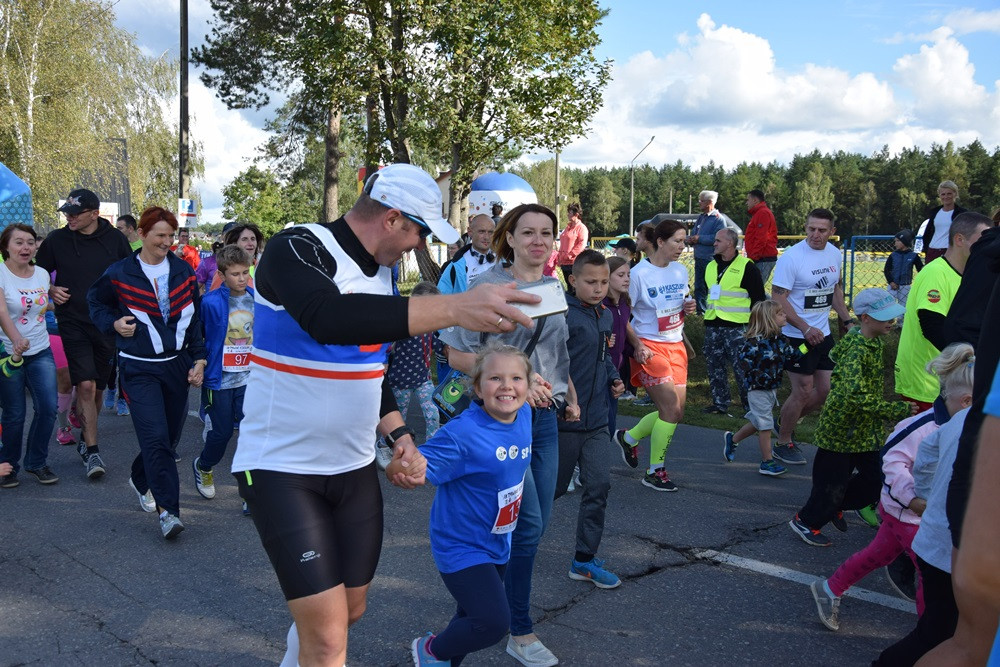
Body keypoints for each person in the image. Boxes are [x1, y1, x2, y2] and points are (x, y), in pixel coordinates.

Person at [228, 163, 536, 667]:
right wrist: (455, 307)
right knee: (328, 638)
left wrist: (399, 435)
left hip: (351, 467)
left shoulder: (385, 273)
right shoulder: (297, 246)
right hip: (281, 466)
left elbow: (369, 368)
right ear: (392, 219)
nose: (417, 245)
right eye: (418, 233)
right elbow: (327, 319)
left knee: (348, 611)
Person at [441, 202, 572, 667]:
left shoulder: (554, 286)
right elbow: (455, 355)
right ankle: (517, 628)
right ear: (510, 238)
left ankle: (476, 618)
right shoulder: (487, 286)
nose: (538, 240)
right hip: (502, 423)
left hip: (546, 419)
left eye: (546, 233)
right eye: (528, 232)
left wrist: (568, 393)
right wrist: (517, 383)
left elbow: (556, 353)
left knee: (529, 526)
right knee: (526, 523)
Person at [808, 343, 974, 631]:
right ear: (967, 402)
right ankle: (930, 632)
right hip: (907, 514)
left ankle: (830, 588)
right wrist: (911, 499)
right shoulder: (920, 427)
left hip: (926, 516)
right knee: (930, 573)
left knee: (877, 555)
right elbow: (891, 462)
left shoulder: (964, 427)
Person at [397, 343, 533, 667]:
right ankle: (431, 650)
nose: (507, 386)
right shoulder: (463, 432)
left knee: (470, 616)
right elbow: (417, 465)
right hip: (460, 543)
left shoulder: (525, 413)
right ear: (478, 388)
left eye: (516, 378)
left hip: (498, 539)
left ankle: (444, 662)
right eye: (495, 378)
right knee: (493, 622)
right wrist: (403, 464)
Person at [88, 206, 207, 539]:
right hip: (138, 367)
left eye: (171, 236)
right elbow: (95, 303)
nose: (167, 242)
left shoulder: (183, 271)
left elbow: (195, 319)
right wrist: (113, 323)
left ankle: (141, 478)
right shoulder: (119, 272)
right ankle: (168, 512)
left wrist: (199, 358)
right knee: (155, 438)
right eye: (160, 235)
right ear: (141, 234)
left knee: (167, 439)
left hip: (177, 365)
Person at [788, 288, 914, 547]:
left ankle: (836, 505)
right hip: (841, 430)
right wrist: (896, 410)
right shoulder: (857, 348)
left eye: (893, 316)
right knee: (830, 487)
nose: (892, 322)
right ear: (865, 318)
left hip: (863, 430)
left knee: (876, 477)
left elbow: (842, 363)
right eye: (886, 317)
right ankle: (806, 521)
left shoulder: (871, 341)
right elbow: (854, 395)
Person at [35, 188, 132, 480]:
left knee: (98, 388)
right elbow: (37, 274)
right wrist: (50, 288)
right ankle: (92, 451)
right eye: (67, 213)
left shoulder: (115, 240)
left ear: (94, 214)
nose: (70, 218)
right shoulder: (57, 239)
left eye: (76, 213)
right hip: (72, 321)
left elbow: (130, 275)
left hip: (106, 324)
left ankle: (85, 439)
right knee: (86, 386)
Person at [872, 405, 972, 666]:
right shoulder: (933, 422)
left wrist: (930, 501)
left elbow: (927, 455)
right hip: (948, 547)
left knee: (939, 632)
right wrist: (916, 500)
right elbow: (893, 456)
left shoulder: (963, 417)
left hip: (937, 538)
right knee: (941, 636)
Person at [554, 250, 625, 589]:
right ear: (573, 280)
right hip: (564, 421)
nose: (598, 289)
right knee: (550, 491)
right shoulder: (562, 316)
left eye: (604, 282)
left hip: (597, 419)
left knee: (599, 486)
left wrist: (614, 377)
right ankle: (501, 543)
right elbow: (551, 363)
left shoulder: (605, 315)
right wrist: (565, 401)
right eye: (591, 282)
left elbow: (603, 357)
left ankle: (583, 560)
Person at [613, 218, 697, 492]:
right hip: (650, 346)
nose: (682, 247)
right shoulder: (639, 274)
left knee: (676, 412)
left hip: (676, 345)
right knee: (670, 409)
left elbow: (680, 304)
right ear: (660, 241)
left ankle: (629, 438)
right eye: (677, 241)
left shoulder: (680, 271)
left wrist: (688, 307)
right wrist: (637, 344)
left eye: (684, 242)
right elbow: (624, 315)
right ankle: (655, 471)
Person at [770, 208, 852, 466]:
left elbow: (834, 289)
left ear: (832, 232)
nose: (816, 234)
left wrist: (846, 319)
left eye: (822, 230)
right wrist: (805, 328)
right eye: (811, 229)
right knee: (803, 390)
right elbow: (778, 297)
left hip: (822, 334)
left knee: (826, 389)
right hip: (797, 336)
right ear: (805, 228)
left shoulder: (834, 254)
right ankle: (783, 442)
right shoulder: (792, 257)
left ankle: (785, 420)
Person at [895, 213, 991, 410]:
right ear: (959, 239)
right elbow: (932, 326)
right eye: (983, 239)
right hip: (926, 380)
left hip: (950, 380)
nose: (988, 246)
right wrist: (969, 358)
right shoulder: (936, 273)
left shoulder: (969, 274)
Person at [191, 245, 254, 502]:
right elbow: (196, 337)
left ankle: (250, 494)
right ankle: (204, 466)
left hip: (249, 379)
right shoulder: (209, 302)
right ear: (221, 275)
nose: (241, 278)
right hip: (219, 380)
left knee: (250, 434)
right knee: (222, 433)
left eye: (245, 273)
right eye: (235, 274)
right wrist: (198, 365)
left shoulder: (256, 299)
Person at [0, 223, 56, 486]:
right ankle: (8, 466)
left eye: (30, 242)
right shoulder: (1, 273)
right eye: (19, 242)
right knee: (14, 413)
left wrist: (56, 299)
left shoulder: (42, 274)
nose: (25, 247)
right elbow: (2, 312)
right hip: (8, 352)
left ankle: (36, 462)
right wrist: (16, 341)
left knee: (48, 407)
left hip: (40, 349)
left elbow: (39, 305)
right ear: (6, 246)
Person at [724, 300, 801, 476]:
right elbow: (744, 362)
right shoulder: (754, 343)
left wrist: (810, 346)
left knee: (758, 421)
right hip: (757, 389)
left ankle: (733, 439)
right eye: (780, 314)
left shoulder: (780, 341)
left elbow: (793, 355)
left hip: (772, 389)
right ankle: (767, 462)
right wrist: (759, 375)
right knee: (765, 424)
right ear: (769, 319)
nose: (785, 315)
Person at [702, 228, 766, 415]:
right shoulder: (710, 266)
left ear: (729, 243)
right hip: (713, 324)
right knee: (715, 365)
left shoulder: (747, 267)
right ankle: (719, 403)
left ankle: (750, 406)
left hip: (738, 327)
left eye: (718, 240)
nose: (714, 243)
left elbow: (758, 299)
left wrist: (755, 327)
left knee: (742, 368)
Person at [385, 281, 443, 439]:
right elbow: (388, 343)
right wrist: (384, 360)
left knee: (433, 414)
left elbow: (435, 342)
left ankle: (432, 444)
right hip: (401, 381)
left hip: (423, 379)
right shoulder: (406, 324)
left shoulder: (430, 324)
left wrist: (446, 349)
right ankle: (387, 445)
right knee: (398, 421)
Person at [686, 190, 726, 314]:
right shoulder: (701, 217)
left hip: (710, 258)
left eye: (701, 201)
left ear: (709, 202)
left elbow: (718, 238)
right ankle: (701, 312)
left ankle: (713, 311)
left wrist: (699, 239)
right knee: (699, 286)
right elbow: (694, 233)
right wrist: (691, 239)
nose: (699, 203)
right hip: (699, 257)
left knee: (711, 286)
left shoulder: (718, 219)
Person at [437, 214, 496, 295]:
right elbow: (441, 297)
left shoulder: (505, 261)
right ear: (470, 232)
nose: (486, 237)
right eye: (481, 232)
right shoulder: (455, 266)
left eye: (490, 232)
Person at [605, 256, 634, 413]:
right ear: (607, 277)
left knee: (611, 419)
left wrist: (636, 351)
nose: (626, 279)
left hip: (616, 371)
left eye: (628, 275)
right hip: (600, 372)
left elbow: (622, 338)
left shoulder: (624, 303)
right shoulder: (600, 305)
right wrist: (603, 341)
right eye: (621, 275)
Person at [884, 228, 923, 327]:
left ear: (905, 242)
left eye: (898, 241)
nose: (895, 243)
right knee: (888, 303)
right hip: (892, 285)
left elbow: (921, 269)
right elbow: (887, 270)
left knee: (903, 305)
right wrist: (891, 282)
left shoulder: (913, 256)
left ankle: (900, 324)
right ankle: (886, 321)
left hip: (905, 286)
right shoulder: (893, 255)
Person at [208, 223, 263, 291]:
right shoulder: (225, 271)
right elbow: (215, 296)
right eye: (244, 239)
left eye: (253, 239)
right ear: (234, 243)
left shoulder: (261, 267)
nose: (250, 243)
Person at [922, 180, 967, 262]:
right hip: (932, 251)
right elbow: (927, 233)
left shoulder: (962, 213)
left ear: (955, 194)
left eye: (949, 193)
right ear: (939, 195)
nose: (946, 197)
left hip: (951, 252)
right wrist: (926, 250)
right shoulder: (935, 212)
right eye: (943, 194)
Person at [744, 189, 778, 284]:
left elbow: (761, 238)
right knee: (755, 287)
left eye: (748, 200)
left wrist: (753, 257)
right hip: (760, 258)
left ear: (755, 200)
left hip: (762, 258)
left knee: (756, 287)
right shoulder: (759, 213)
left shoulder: (763, 213)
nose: (747, 203)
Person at [557, 202, 588, 280]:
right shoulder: (567, 228)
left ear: (576, 215)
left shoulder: (581, 228)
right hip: (564, 263)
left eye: (570, 213)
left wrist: (570, 255)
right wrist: (560, 257)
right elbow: (563, 243)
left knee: (574, 285)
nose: (568, 214)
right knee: (568, 285)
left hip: (574, 263)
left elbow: (582, 244)